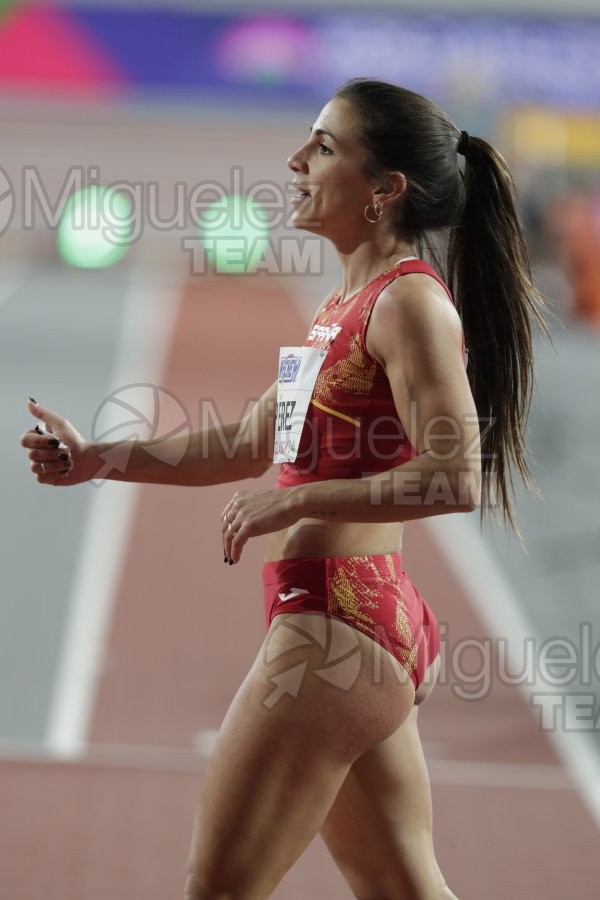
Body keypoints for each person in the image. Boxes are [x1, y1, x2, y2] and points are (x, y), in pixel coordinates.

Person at [21, 79, 547, 899]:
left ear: (385, 191)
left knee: (220, 889)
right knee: (402, 885)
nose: (297, 160)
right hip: (353, 626)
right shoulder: (343, 305)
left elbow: (455, 475)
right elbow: (244, 441)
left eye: (325, 147)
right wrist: (101, 458)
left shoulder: (408, 304)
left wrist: (299, 501)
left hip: (338, 627)